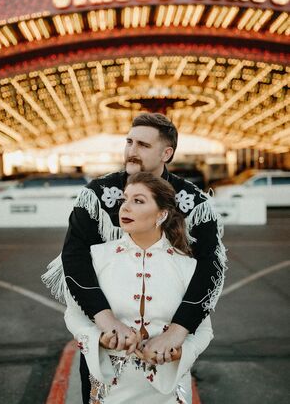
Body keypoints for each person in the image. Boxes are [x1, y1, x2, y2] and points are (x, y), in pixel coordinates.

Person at [42, 112, 226, 404]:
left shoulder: (194, 202)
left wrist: (176, 334)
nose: (131, 150)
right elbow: (74, 258)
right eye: (129, 142)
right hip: (105, 345)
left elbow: (209, 270)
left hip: (164, 349)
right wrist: (105, 321)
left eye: (142, 144)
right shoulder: (97, 195)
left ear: (166, 153)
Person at [63, 172, 214, 403]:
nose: (125, 207)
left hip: (168, 391)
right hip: (109, 390)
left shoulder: (187, 266)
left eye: (138, 200)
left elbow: (203, 329)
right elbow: (73, 314)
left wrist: (179, 351)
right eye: (125, 199)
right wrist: (99, 338)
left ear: (162, 214)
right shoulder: (97, 257)